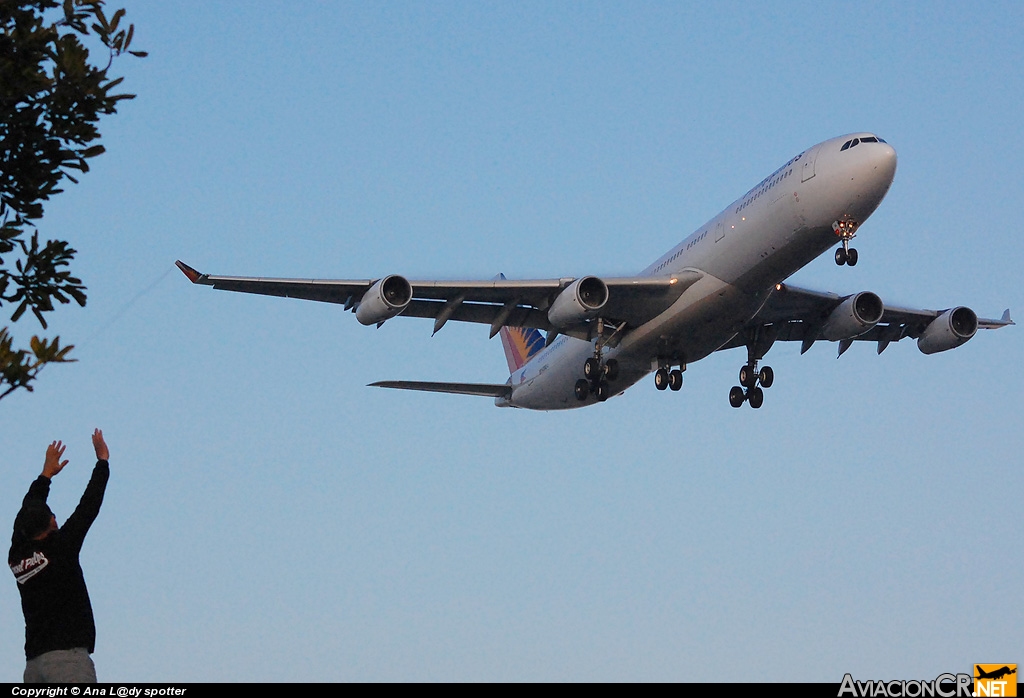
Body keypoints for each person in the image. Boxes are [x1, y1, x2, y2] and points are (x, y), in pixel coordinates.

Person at [9, 429, 110, 683]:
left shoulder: (16, 555)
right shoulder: (61, 548)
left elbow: (28, 507)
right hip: (67, 662)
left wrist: (46, 475)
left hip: (33, 666)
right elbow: (89, 506)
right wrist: (102, 463)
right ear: (52, 522)